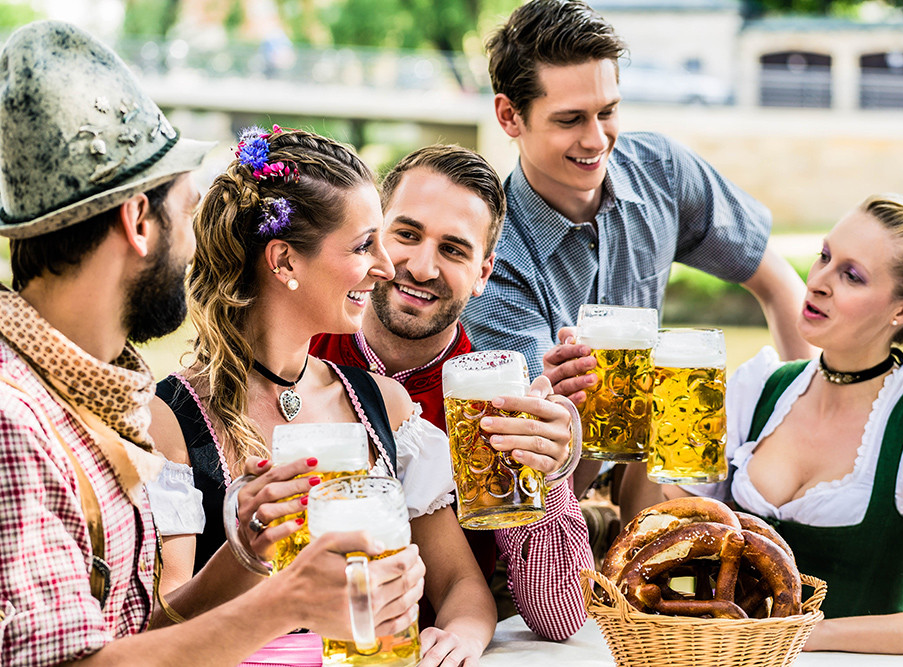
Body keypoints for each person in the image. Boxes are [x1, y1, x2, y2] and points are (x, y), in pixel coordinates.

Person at [0, 20, 423, 667]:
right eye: (186, 208)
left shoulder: (84, 399)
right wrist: (286, 600)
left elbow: (128, 636)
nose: (201, 243)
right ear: (139, 220)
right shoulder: (16, 419)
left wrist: (245, 557)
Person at [149, 128, 496, 666]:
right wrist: (242, 554)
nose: (386, 266)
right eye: (364, 246)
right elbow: (155, 632)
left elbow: (462, 588)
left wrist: (460, 637)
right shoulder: (169, 419)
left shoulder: (383, 405)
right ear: (284, 262)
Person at [460, 0, 815, 522]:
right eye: (570, 120)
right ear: (509, 116)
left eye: (607, 112)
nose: (596, 139)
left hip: (648, 484)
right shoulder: (492, 260)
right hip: (548, 511)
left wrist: (800, 435)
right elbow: (544, 463)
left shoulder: (662, 170)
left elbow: (779, 285)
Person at [670, 194, 903, 655]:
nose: (819, 282)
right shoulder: (758, 391)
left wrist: (803, 636)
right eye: (825, 256)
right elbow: (666, 530)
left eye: (852, 275)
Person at [310, 144, 593, 640]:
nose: (421, 267)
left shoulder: (491, 402)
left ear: (483, 273)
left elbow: (560, 618)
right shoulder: (298, 348)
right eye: (407, 234)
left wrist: (550, 475)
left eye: (453, 249)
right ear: (373, 236)